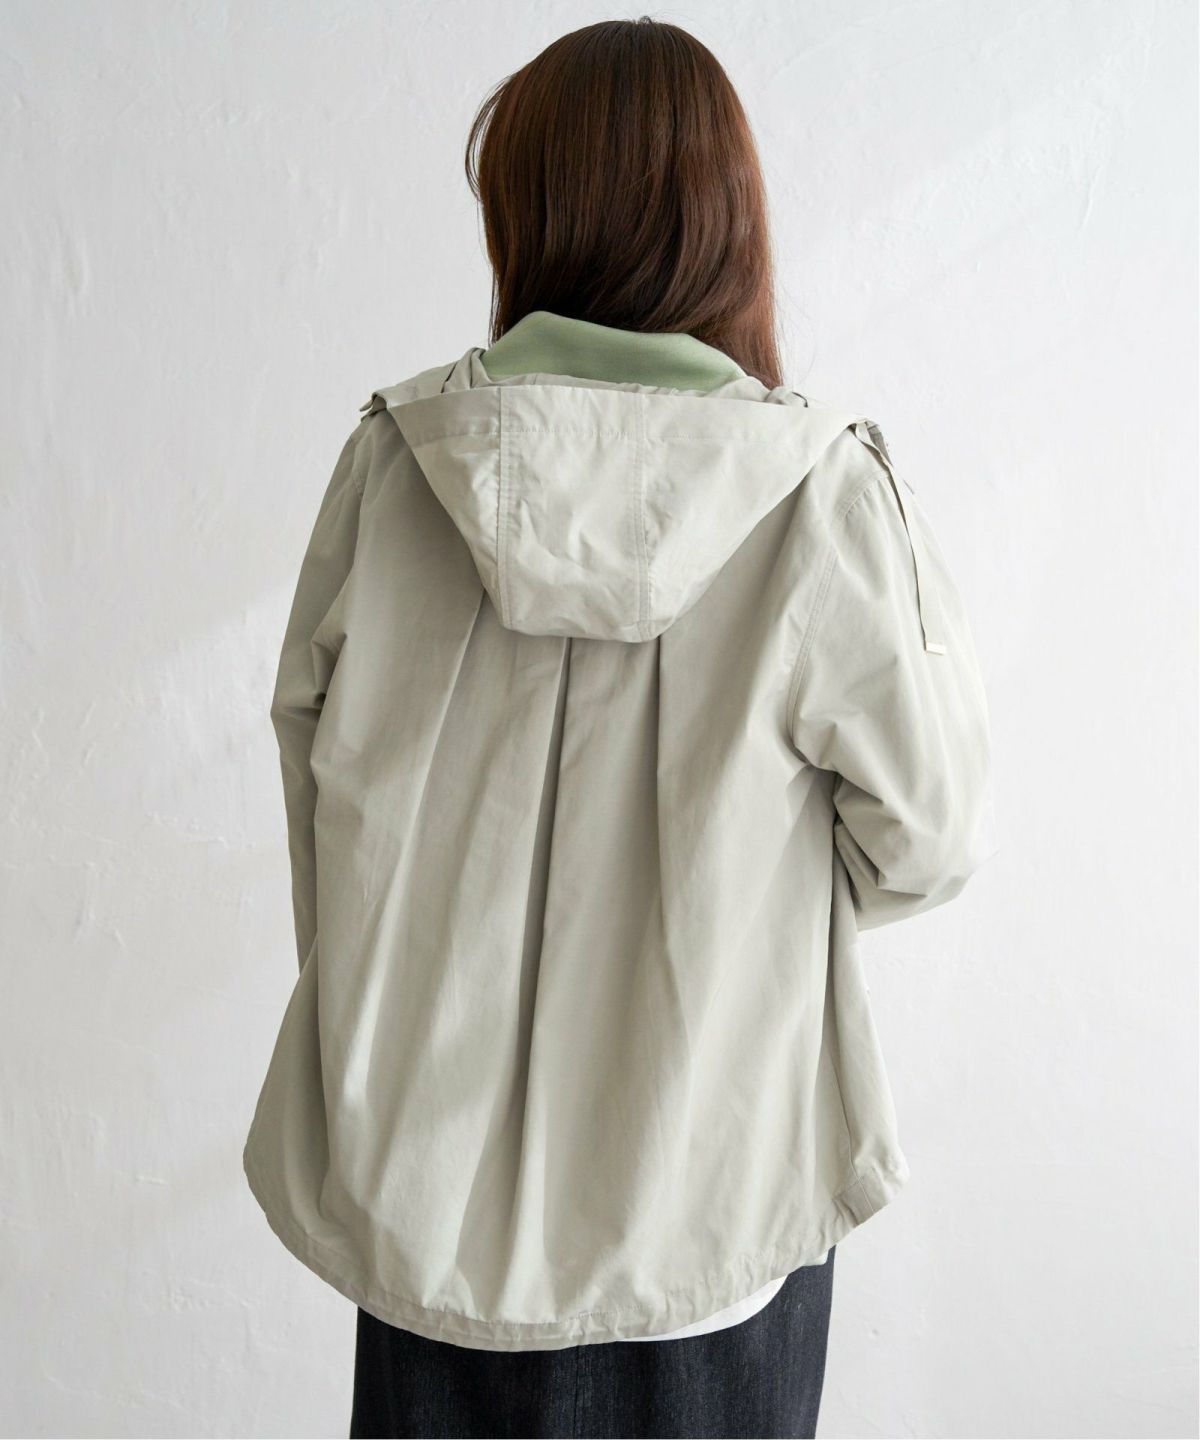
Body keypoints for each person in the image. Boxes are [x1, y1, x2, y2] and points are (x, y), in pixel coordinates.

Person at [241, 17, 997, 1439]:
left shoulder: (394, 469)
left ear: (527, 220)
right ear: (728, 220)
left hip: (429, 1205)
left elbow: (317, 802)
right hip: (720, 1208)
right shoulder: (818, 494)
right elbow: (931, 836)